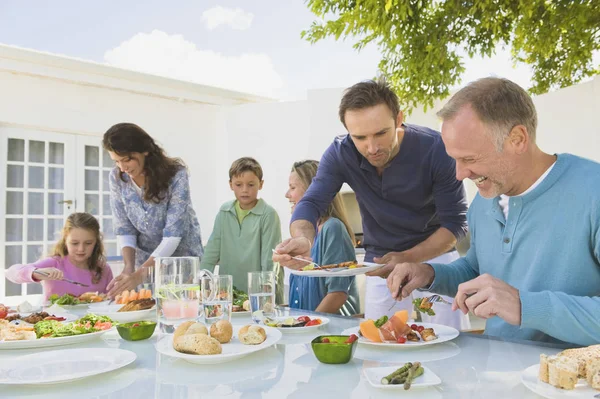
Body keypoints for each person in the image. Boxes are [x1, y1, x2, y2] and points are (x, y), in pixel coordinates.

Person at [386, 77, 600, 346]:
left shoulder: (593, 192)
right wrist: (429, 274)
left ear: (517, 139)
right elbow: (478, 269)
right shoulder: (484, 201)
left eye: (470, 159)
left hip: (570, 381)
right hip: (494, 374)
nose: (460, 174)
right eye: (455, 159)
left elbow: (512, 298)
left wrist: (524, 306)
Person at [273, 79, 469, 329]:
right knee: (379, 349)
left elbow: (456, 224)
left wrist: (408, 257)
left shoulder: (436, 149)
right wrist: (303, 238)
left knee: (450, 343)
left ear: (399, 119)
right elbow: (311, 201)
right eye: (360, 137)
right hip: (379, 264)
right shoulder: (340, 152)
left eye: (381, 133)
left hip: (437, 260)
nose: (372, 147)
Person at [103, 123, 203, 298]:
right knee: (147, 310)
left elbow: (172, 235)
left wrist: (140, 274)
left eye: (127, 159)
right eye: (116, 161)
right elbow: (124, 228)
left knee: (183, 312)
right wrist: (128, 269)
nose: (122, 167)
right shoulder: (117, 178)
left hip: (181, 261)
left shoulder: (176, 175)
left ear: (145, 151)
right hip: (144, 263)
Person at [200, 157, 283, 300]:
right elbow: (212, 251)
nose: (245, 190)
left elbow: (270, 261)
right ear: (230, 184)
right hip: (228, 295)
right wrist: (201, 281)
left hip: (261, 294)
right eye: (239, 184)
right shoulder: (224, 212)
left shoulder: (268, 215)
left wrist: (266, 294)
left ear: (261, 184)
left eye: (251, 184)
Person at [285, 160, 360, 315]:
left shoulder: (332, 228)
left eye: (293, 188)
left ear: (313, 191)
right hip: (306, 330)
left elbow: (338, 294)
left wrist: (308, 325)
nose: (287, 194)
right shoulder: (301, 234)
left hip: (330, 333)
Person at [6, 212, 113, 300]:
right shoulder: (54, 263)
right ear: (65, 240)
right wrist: (36, 273)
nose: (81, 249)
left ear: (96, 242)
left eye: (88, 243)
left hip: (95, 324)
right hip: (55, 322)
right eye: (74, 243)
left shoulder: (104, 269)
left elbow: (111, 301)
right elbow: (11, 273)